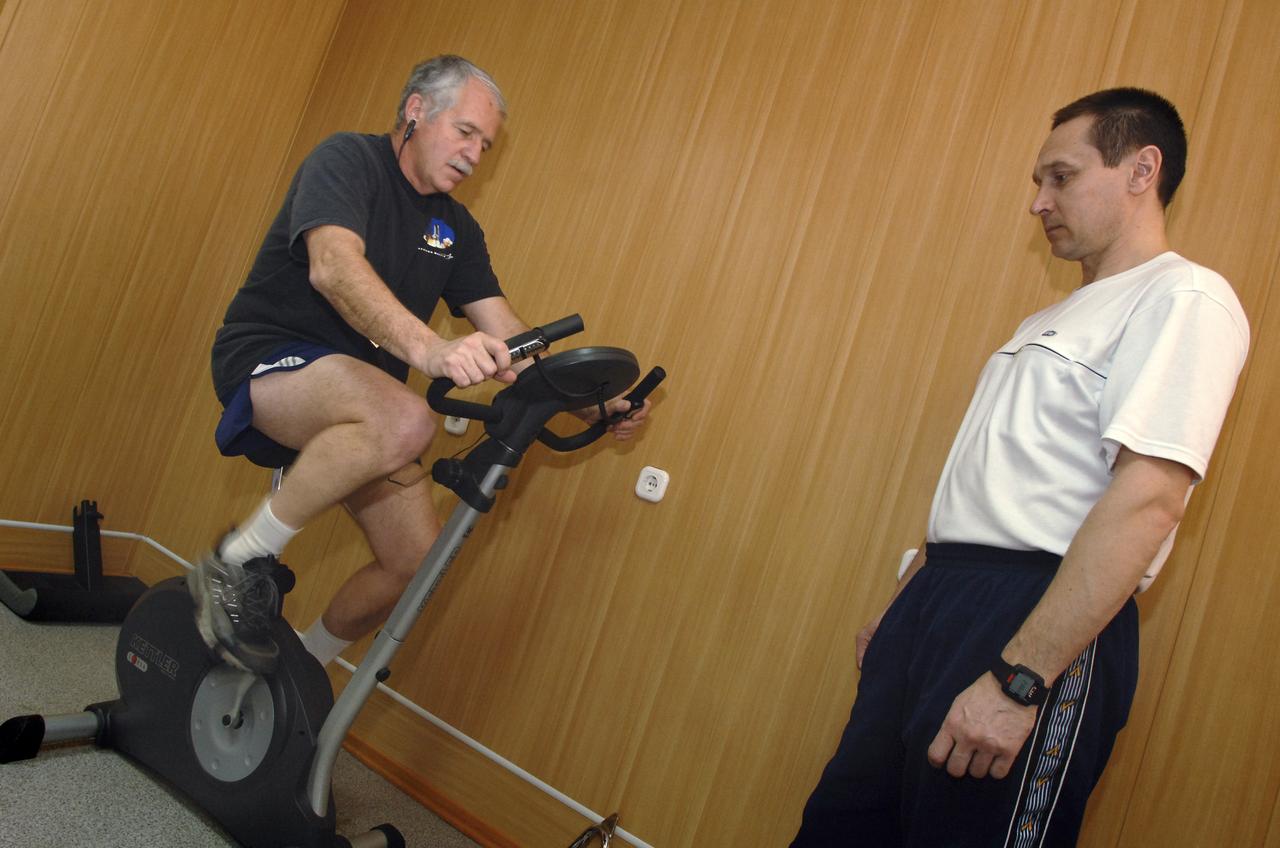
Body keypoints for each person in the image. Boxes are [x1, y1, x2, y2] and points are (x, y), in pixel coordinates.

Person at [791, 88, 1249, 846]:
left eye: (1062, 177)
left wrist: (1020, 680)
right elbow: (992, 486)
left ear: (1142, 170)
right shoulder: (1048, 320)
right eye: (1040, 181)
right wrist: (907, 605)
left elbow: (1150, 498)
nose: (1039, 202)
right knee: (843, 825)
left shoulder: (1184, 297)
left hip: (1035, 616)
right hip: (942, 596)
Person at [195, 55, 650, 675]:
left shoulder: (456, 229)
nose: (474, 154)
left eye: (485, 145)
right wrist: (432, 349)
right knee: (407, 420)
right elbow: (332, 266)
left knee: (416, 562)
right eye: (465, 132)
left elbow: (509, 333)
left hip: (365, 403)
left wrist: (592, 403)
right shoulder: (348, 160)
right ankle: (236, 561)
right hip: (270, 357)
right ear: (416, 110)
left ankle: (302, 669)